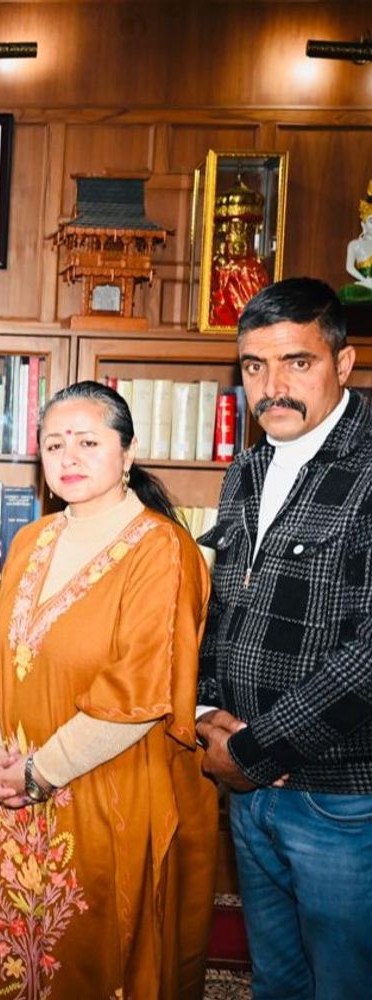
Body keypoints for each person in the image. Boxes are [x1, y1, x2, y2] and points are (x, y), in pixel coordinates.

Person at [0, 380, 217, 999]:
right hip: (18, 790)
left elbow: (139, 693)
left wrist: (38, 772)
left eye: (88, 441)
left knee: (100, 959)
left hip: (113, 794)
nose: (69, 457)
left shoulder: (162, 550)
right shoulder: (30, 539)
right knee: (25, 957)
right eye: (55, 444)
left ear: (127, 452)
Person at [196, 277, 372, 1000]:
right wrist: (207, 711)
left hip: (340, 798)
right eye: (254, 366)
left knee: (345, 984)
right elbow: (224, 604)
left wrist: (252, 752)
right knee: (276, 982)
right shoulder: (249, 465)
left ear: (343, 363)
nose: (273, 388)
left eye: (298, 362)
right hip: (247, 785)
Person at [208, 174, 270, 327]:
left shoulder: (254, 267)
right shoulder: (221, 266)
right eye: (234, 226)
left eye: (242, 226)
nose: (238, 229)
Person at [340, 179, 372, 302]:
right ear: (363, 225)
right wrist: (366, 281)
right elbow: (349, 268)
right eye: (371, 221)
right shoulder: (355, 245)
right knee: (350, 292)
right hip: (364, 284)